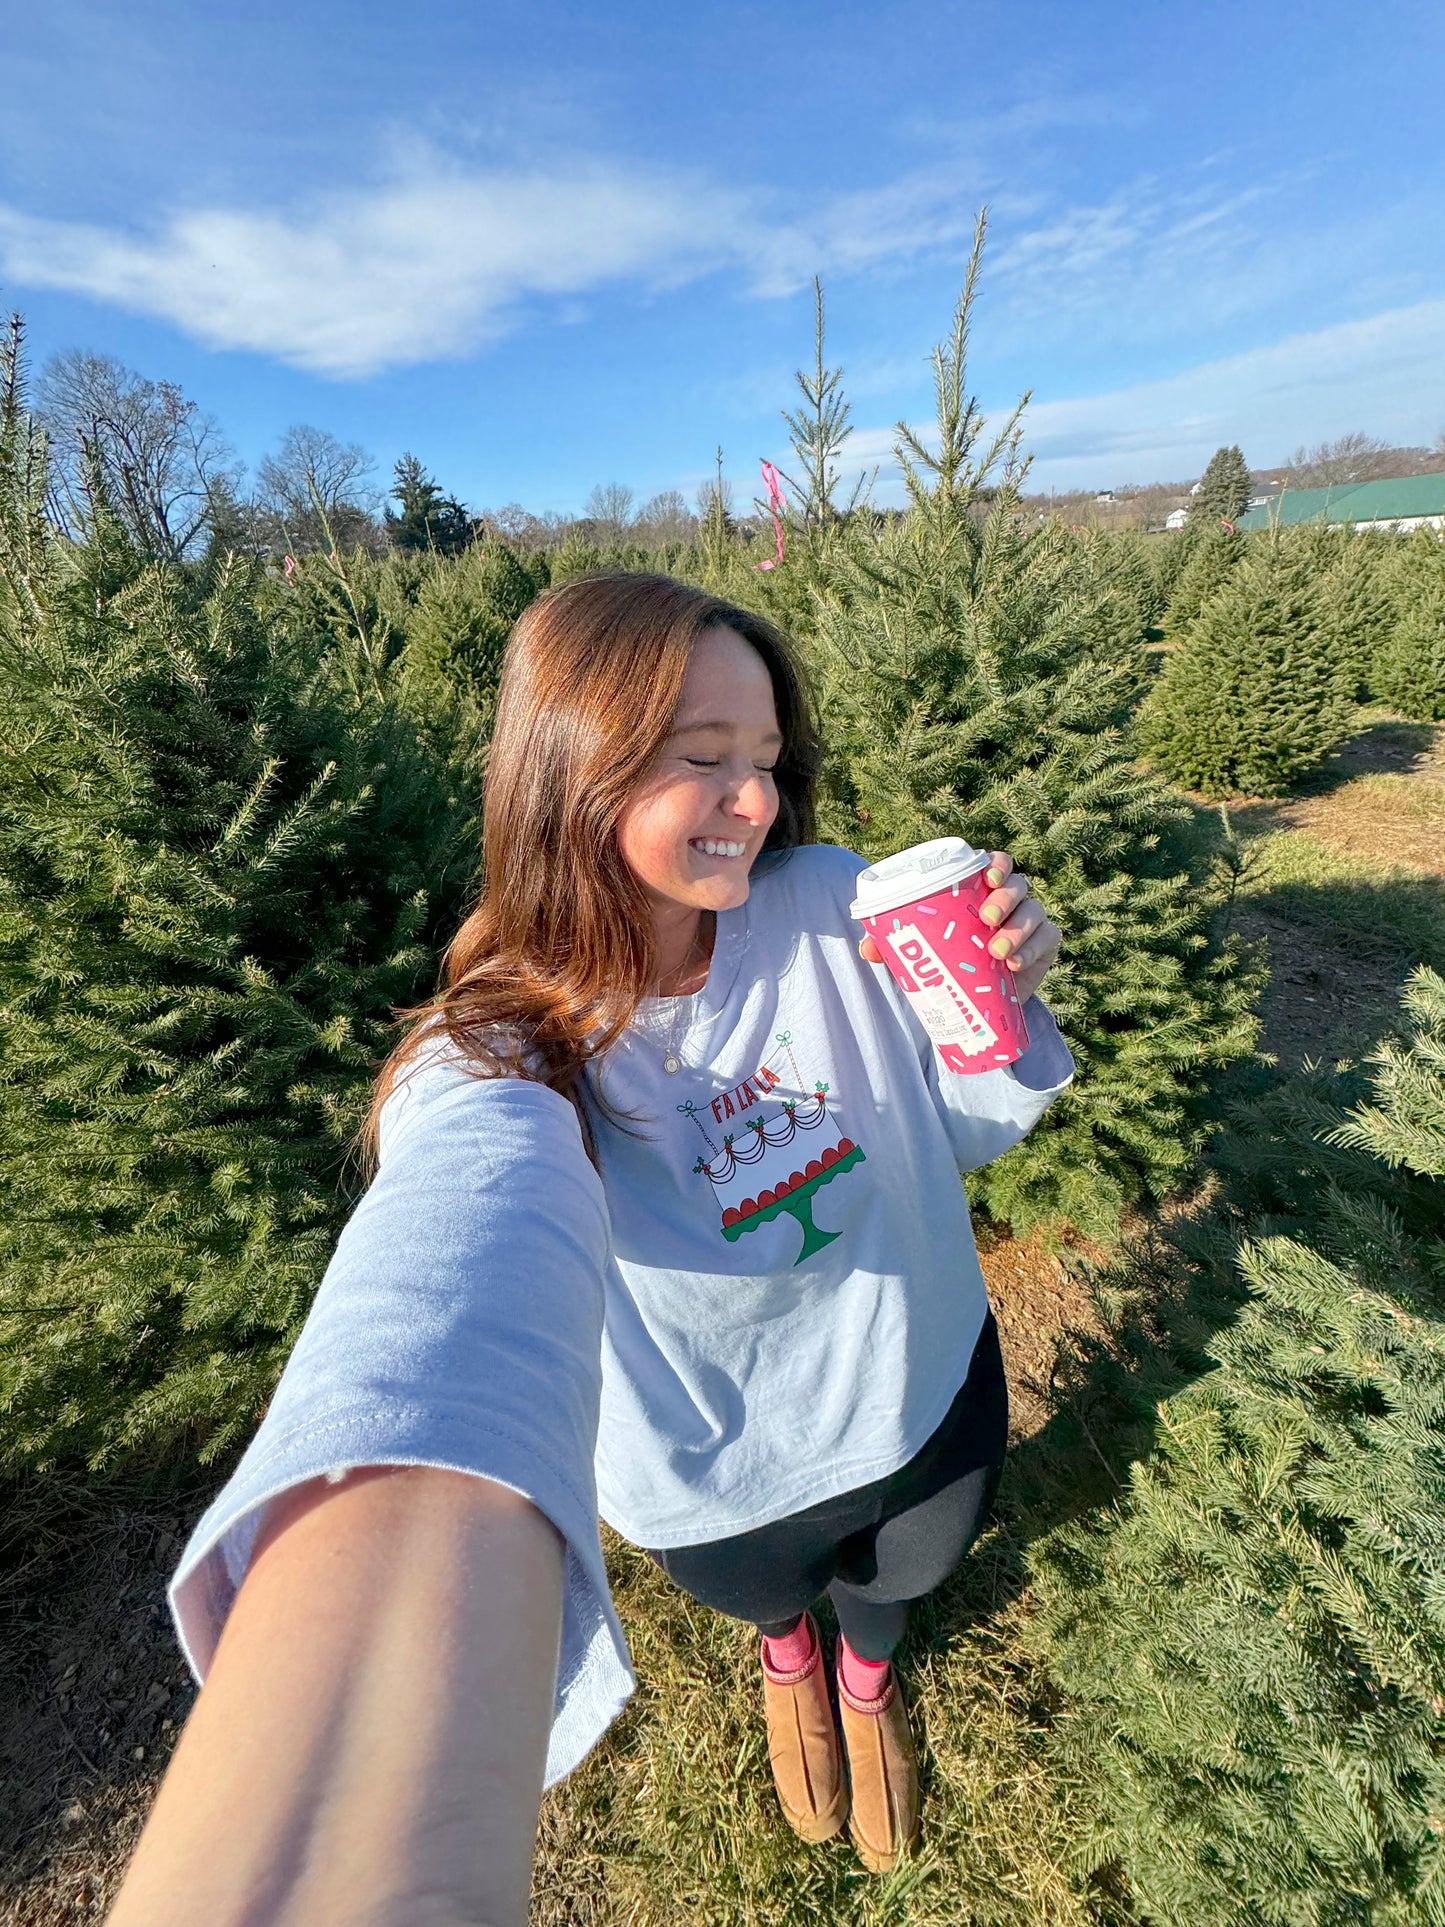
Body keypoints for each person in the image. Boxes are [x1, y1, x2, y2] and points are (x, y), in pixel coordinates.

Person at [106, 574, 1067, 1927]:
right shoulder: (505, 1047)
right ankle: (787, 1660)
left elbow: (968, 1126)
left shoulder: (835, 910)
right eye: (703, 760)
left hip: (914, 1387)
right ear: (575, 769)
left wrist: (1006, 997)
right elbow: (457, 1237)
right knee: (772, 1601)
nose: (755, 802)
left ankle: (863, 1679)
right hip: (715, 1471)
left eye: (767, 762)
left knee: (898, 1581)